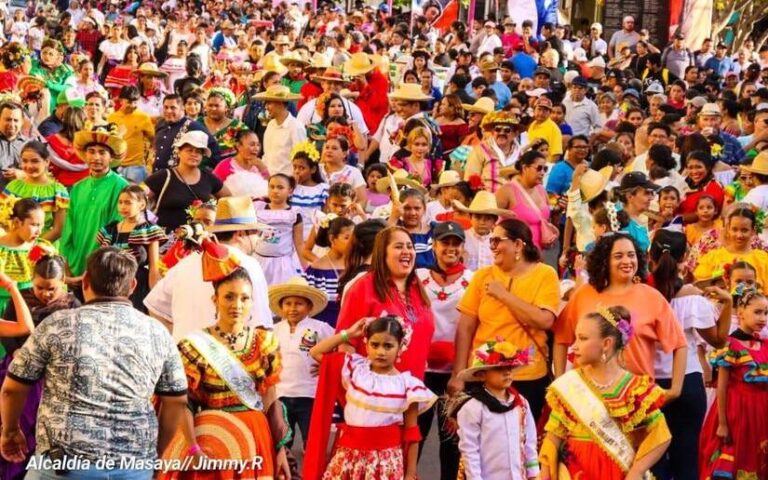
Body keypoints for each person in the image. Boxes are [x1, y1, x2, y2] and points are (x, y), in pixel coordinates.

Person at [0, 247, 189, 479]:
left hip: (64, 464)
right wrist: (154, 454)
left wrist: (10, 431)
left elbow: (12, 389)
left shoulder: (57, 325)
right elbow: (177, 401)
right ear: (132, 286)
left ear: (86, 281)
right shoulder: (157, 332)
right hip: (133, 466)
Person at [158, 255, 291, 479]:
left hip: (256, 436)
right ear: (215, 299)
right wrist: (193, 448)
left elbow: (270, 400)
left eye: (244, 298)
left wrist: (280, 451)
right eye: (229, 297)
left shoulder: (264, 342)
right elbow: (184, 404)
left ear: (251, 302)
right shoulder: (194, 346)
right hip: (211, 436)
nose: (236, 305)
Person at [539, 306, 672, 479]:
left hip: (618, 471)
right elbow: (554, 434)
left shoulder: (635, 388)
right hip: (575, 471)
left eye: (583, 339)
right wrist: (545, 472)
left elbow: (661, 435)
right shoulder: (570, 384)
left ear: (606, 343)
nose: (574, 346)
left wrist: (637, 470)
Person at [554, 234, 688, 401]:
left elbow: (680, 344)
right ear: (604, 261)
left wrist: (675, 390)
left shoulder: (652, 297)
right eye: (618, 256)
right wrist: (559, 383)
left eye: (631, 255)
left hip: (636, 400)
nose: (627, 261)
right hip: (586, 401)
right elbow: (561, 338)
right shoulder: (584, 294)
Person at [450, 219, 560, 420]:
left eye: (496, 241)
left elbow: (545, 321)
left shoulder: (545, 274)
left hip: (527, 376)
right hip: (483, 373)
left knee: (521, 442)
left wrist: (503, 295)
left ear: (518, 244)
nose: (492, 247)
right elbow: (465, 327)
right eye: (491, 242)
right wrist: (457, 374)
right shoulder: (483, 276)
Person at [308, 316, 437, 479]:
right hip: (349, 457)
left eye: (388, 346)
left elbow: (412, 434)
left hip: (384, 464)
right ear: (366, 344)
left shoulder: (408, 385)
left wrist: (411, 472)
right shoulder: (355, 368)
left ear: (401, 346)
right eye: (374, 345)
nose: (380, 352)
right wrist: (348, 333)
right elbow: (315, 352)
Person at [648, 230, 731, 480]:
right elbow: (717, 341)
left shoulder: (641, 293)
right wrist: (727, 303)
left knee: (652, 459)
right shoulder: (692, 297)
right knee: (687, 457)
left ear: (649, 256)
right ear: (685, 257)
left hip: (649, 382)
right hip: (687, 380)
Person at [144, 196, 272, 341]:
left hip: (186, 354)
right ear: (241, 234)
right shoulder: (249, 265)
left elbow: (154, 306)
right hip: (226, 356)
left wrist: (175, 340)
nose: (258, 239)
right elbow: (262, 323)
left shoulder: (186, 263)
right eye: (256, 233)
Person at [0, 252, 76, 480]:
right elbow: (12, 332)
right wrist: (15, 350)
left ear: (63, 282)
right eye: (39, 287)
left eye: (51, 288)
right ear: (32, 281)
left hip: (51, 376)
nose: (45, 294)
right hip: (17, 369)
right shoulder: (21, 300)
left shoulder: (72, 305)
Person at [415, 221, 472, 480]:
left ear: (462, 247)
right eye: (444, 242)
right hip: (421, 373)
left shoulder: (473, 281)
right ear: (434, 245)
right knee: (415, 435)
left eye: (455, 243)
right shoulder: (417, 278)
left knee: (452, 441)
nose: (450, 248)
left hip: (455, 374)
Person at [698, 286, 768, 478]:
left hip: (761, 413)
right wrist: (722, 423)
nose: (763, 318)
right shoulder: (730, 345)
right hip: (736, 412)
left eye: (766, 313)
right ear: (741, 313)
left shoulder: (765, 345)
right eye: (757, 312)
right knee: (735, 458)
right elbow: (722, 387)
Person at [452, 339, 539, 479]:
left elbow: (530, 442)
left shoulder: (521, 404)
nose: (507, 373)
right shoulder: (473, 408)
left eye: (510, 368)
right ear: (481, 375)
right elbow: (470, 451)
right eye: (499, 368)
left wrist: (534, 474)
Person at [269, 276, 332, 449]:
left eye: (299, 303)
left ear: (310, 307)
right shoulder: (274, 331)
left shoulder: (320, 328)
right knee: (283, 441)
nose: (292, 308)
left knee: (311, 441)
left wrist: (326, 365)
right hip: (281, 394)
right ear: (281, 307)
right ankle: (285, 473)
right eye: (288, 303)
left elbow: (338, 348)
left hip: (309, 394)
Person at [60, 125, 129, 280]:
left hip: (103, 265)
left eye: (102, 152)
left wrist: (98, 265)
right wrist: (65, 261)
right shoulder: (78, 187)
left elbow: (117, 228)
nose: (96, 157)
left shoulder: (121, 186)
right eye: (91, 152)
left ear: (111, 157)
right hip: (74, 263)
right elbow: (68, 225)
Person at [96, 185, 166, 312]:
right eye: (120, 202)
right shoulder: (110, 230)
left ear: (142, 205)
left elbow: (154, 268)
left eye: (128, 202)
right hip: (112, 285)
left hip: (138, 285)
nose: (123, 206)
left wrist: (155, 297)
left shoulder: (149, 230)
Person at [144, 131, 230, 232]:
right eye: (189, 150)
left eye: (198, 152)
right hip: (165, 239)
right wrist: (149, 221)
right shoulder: (164, 176)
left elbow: (229, 199)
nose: (194, 154)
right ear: (179, 152)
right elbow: (138, 198)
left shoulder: (208, 177)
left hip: (198, 238)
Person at [1, 141, 69, 243]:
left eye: (35, 161)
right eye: (24, 161)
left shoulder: (58, 191)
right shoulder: (13, 186)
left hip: (41, 249)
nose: (29, 166)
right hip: (12, 246)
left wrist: (33, 247)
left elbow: (58, 229)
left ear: (47, 162)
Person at [694, 206, 768, 291]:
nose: (739, 235)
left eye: (744, 230)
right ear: (728, 229)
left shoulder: (762, 259)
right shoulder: (713, 256)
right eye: (734, 229)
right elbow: (699, 286)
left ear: (753, 231)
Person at [253, 174, 305, 285]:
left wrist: (306, 268)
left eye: (280, 187)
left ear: (290, 191)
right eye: (272, 187)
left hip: (282, 264)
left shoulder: (294, 214)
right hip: (259, 261)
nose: (275, 191)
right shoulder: (257, 208)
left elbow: (299, 244)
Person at [303, 216, 354, 327]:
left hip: (350, 326)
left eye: (354, 238)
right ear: (332, 239)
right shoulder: (316, 270)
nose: (352, 243)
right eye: (347, 238)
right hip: (322, 327)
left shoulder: (355, 267)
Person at [498, 150, 553, 249]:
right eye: (539, 168)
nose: (542, 173)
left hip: (538, 254)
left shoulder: (541, 190)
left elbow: (547, 219)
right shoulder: (507, 190)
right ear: (524, 168)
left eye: (545, 169)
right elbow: (491, 218)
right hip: (515, 253)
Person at [153, 94, 220, 171]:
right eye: (166, 107)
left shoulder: (193, 126)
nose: (168, 111)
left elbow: (215, 150)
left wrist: (200, 172)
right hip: (156, 176)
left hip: (179, 179)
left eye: (173, 108)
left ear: (182, 108)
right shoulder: (160, 124)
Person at [254, 85, 306, 176]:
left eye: (269, 103)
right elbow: (267, 155)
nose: (266, 107)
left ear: (281, 103)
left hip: (287, 180)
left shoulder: (296, 127)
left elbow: (301, 159)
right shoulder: (271, 125)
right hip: (269, 179)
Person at [464, 111, 522, 192]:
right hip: (488, 199)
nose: (501, 133)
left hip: (514, 200)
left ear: (515, 133)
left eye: (507, 130)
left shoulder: (521, 154)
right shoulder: (480, 150)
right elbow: (471, 178)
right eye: (498, 129)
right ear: (492, 132)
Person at [107, 86, 154, 183]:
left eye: (135, 102)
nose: (132, 105)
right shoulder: (111, 118)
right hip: (115, 166)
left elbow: (152, 139)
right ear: (121, 101)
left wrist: (150, 161)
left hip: (136, 167)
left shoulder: (143, 117)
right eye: (129, 102)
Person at [454, 191, 512, 271]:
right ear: (470, 217)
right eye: (478, 217)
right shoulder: (461, 238)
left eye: (488, 218)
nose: (482, 222)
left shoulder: (499, 242)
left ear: (494, 221)